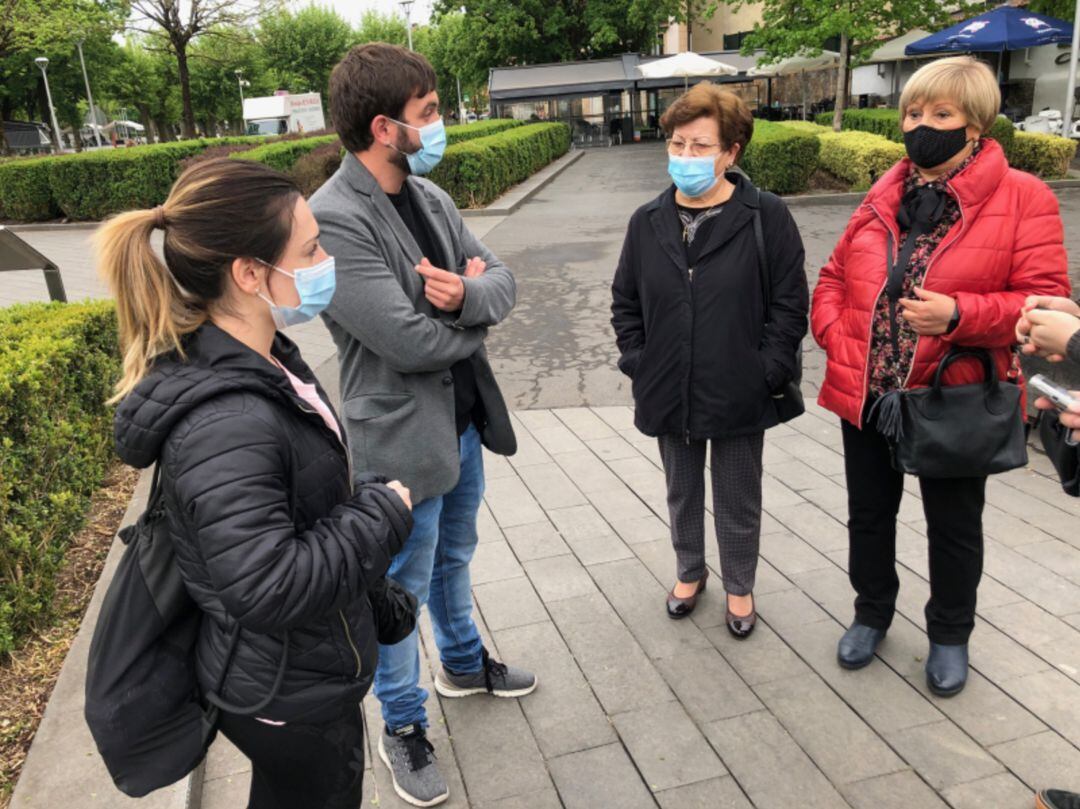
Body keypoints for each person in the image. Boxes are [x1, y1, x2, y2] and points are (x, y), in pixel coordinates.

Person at [100, 158, 415, 808]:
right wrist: (382, 514)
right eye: (311, 248)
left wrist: (370, 589)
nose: (326, 258)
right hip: (285, 692)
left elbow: (299, 509)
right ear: (248, 273)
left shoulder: (263, 357)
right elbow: (265, 582)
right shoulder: (227, 420)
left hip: (297, 669)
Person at [309, 43, 535, 807]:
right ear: (383, 125)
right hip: (400, 438)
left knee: (455, 554)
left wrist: (468, 299)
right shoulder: (335, 220)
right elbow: (405, 341)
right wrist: (474, 316)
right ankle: (403, 723)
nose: (441, 123)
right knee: (400, 582)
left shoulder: (431, 198)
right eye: (430, 112)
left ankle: (464, 664)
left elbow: (501, 280)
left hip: (463, 421)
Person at [812, 56, 1070, 697]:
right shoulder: (885, 190)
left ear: (976, 124)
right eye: (914, 112)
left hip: (952, 394)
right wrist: (834, 331)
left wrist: (960, 315)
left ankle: (950, 634)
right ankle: (871, 613)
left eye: (940, 114)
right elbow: (834, 276)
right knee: (869, 515)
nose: (920, 125)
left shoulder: (1023, 198)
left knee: (954, 526)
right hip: (870, 390)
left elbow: (1046, 306)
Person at [611, 82, 808, 637]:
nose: (686, 158)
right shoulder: (647, 220)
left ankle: (740, 585)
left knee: (738, 491)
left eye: (701, 147)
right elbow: (625, 300)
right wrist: (638, 360)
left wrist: (766, 368)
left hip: (740, 384)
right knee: (681, 489)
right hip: (667, 383)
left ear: (731, 152)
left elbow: (791, 305)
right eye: (677, 144)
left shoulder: (765, 216)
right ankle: (689, 571)